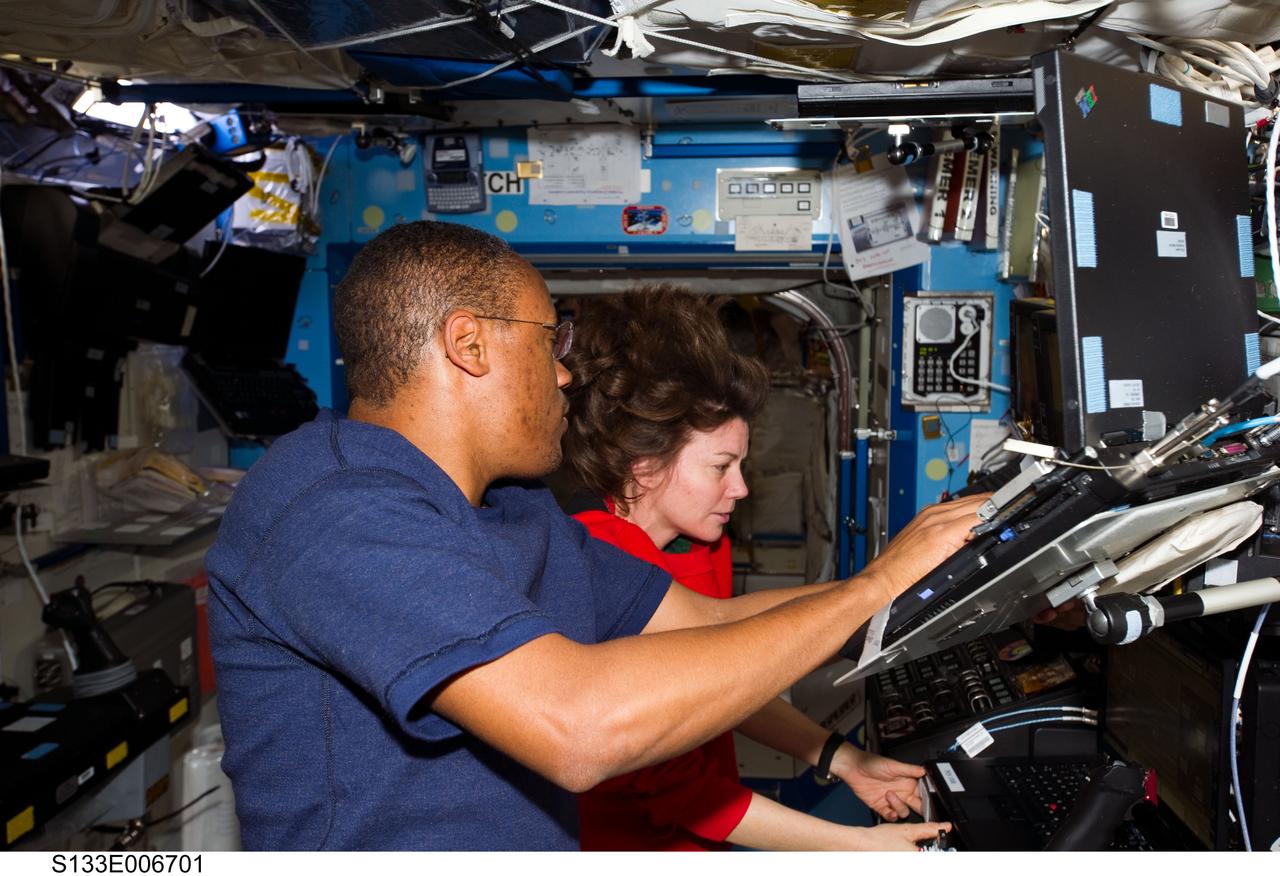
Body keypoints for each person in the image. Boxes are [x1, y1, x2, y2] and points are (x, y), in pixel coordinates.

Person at [205, 220, 980, 850]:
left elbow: (700, 625)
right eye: (550, 340)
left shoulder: (511, 507)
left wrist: (916, 578)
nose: (566, 374)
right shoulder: (340, 511)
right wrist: (875, 587)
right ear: (468, 344)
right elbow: (578, 730)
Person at [562, 287, 931, 851]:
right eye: (720, 467)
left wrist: (844, 758)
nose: (740, 487)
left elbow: (729, 686)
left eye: (742, 464)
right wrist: (855, 847)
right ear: (644, 467)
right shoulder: (595, 557)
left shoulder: (703, 546)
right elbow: (674, 789)